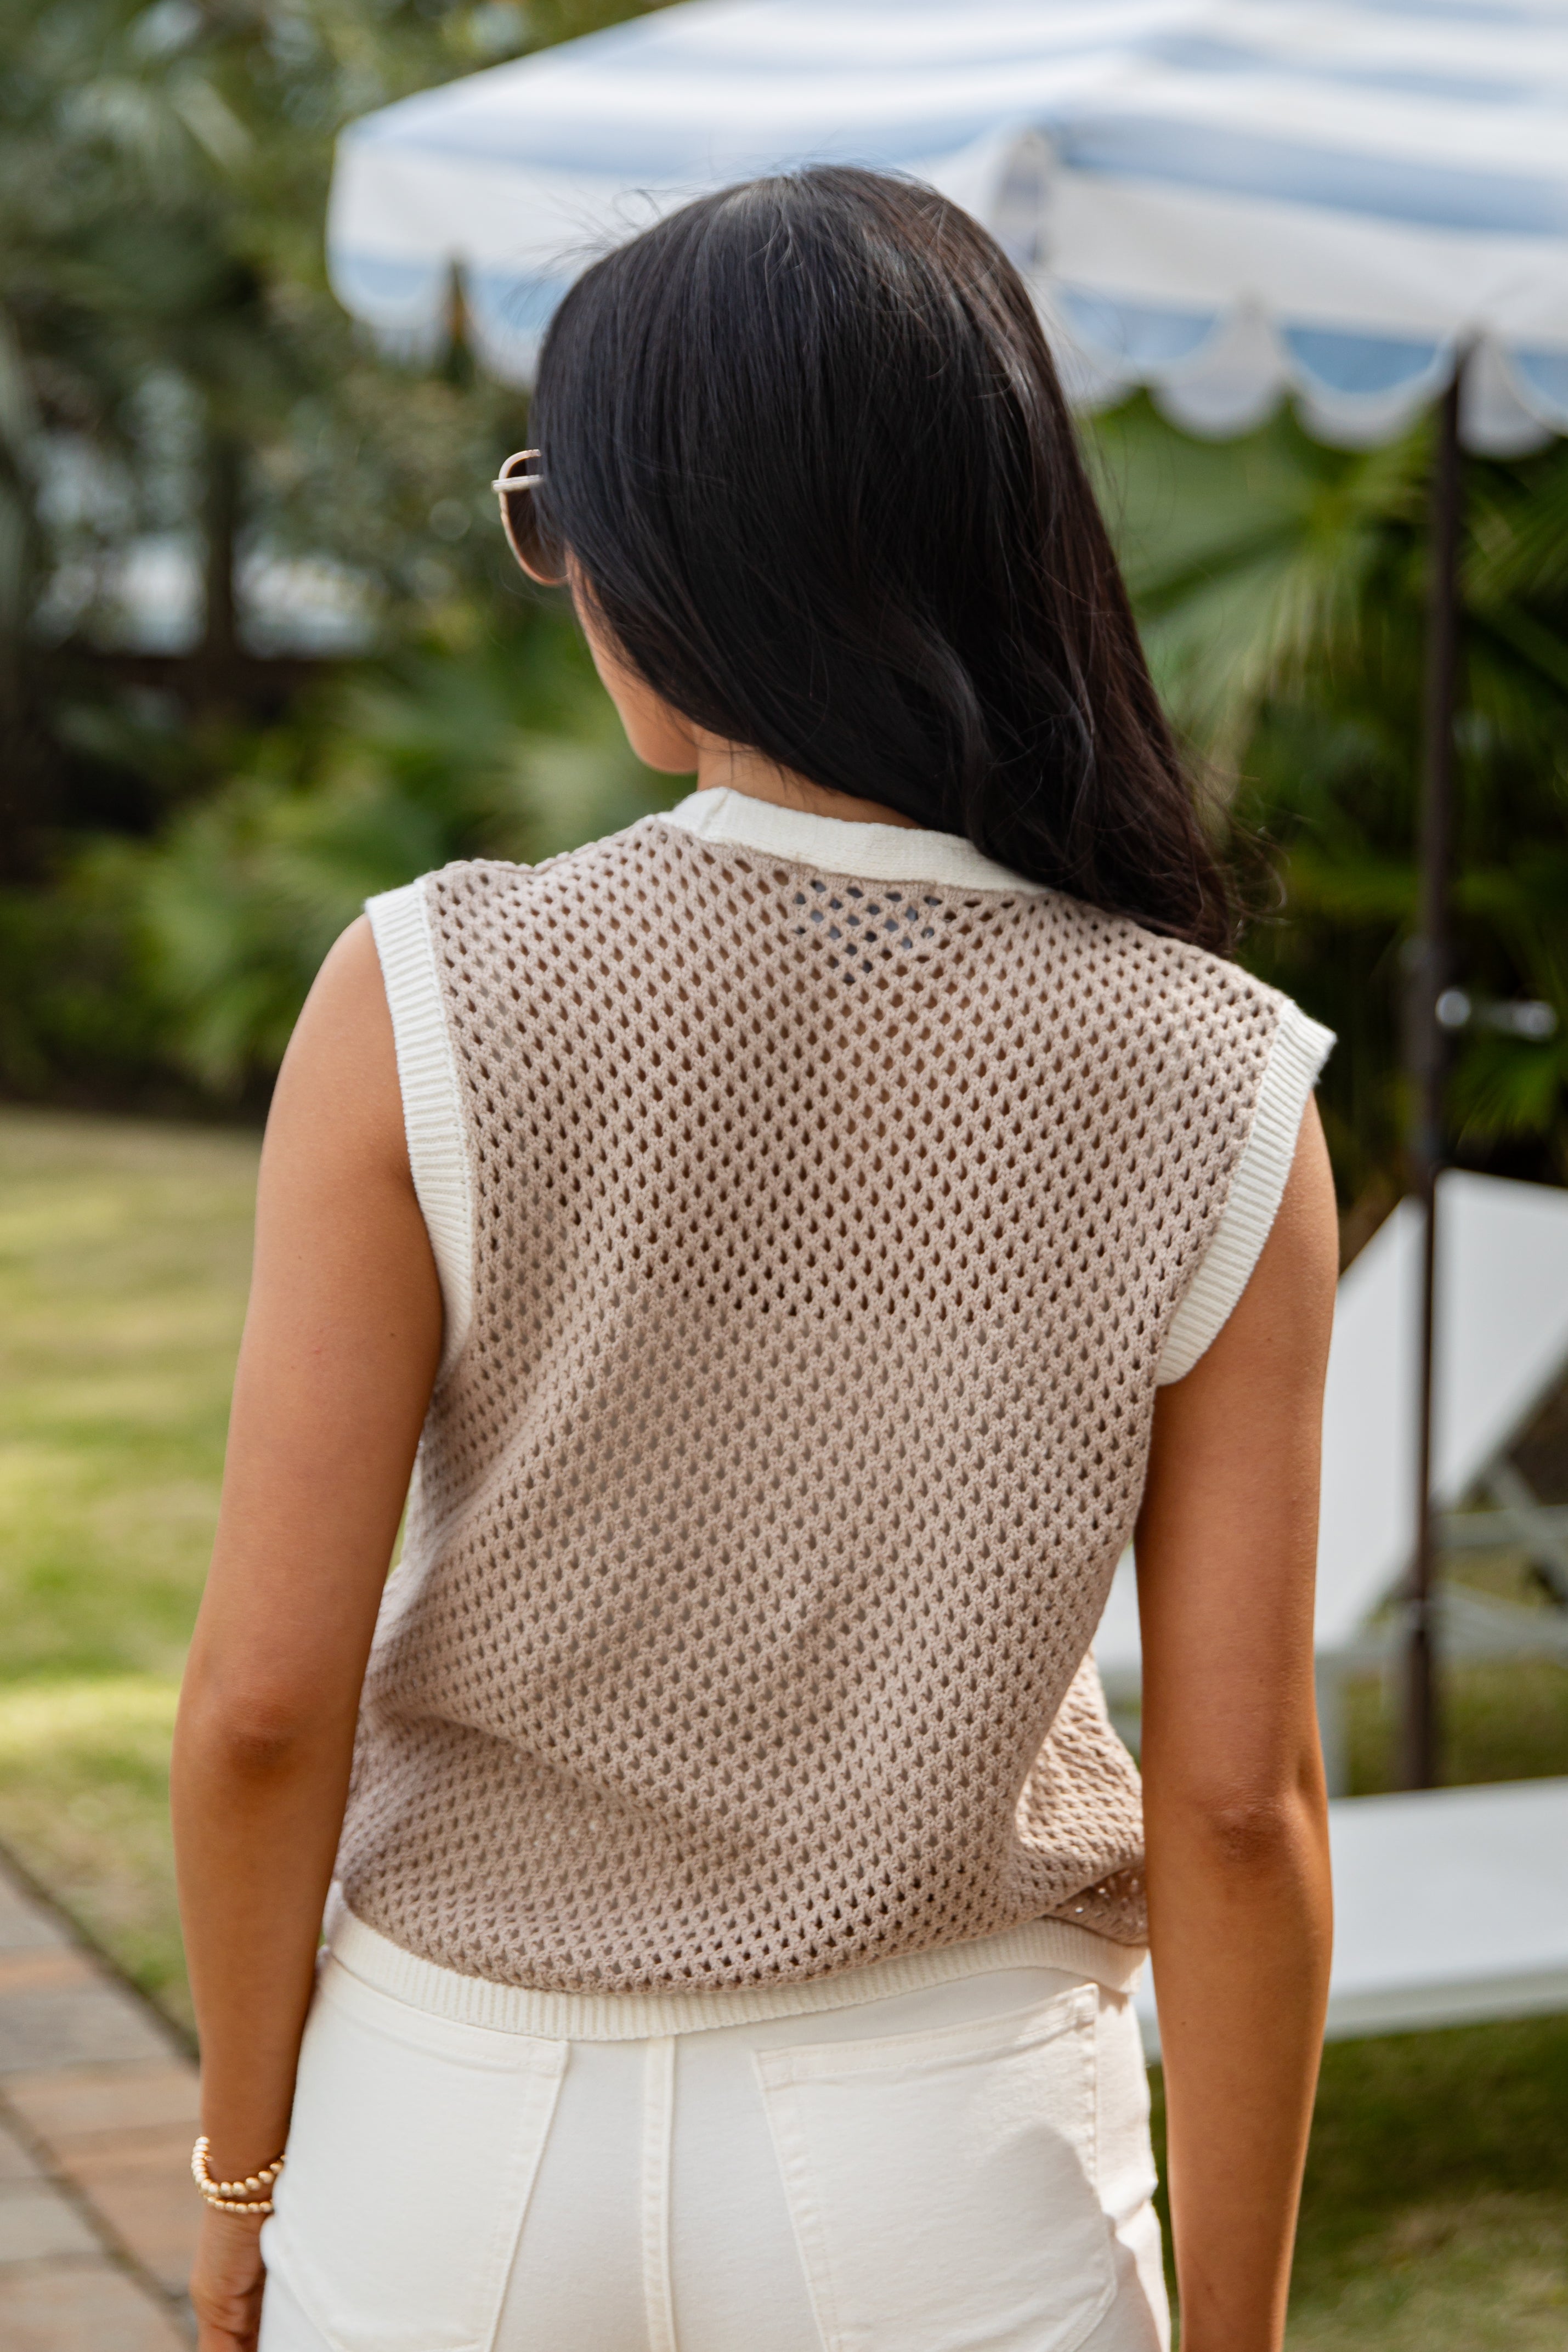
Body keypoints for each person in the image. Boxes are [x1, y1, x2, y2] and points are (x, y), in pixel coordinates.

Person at [172, 165, 1337, 2352]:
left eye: (561, 512)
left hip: (451, 2132)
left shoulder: (427, 992)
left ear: (666, 550)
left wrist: (248, 2167)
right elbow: (1235, 1804)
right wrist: (1238, 2330)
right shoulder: (1223, 1079)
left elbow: (255, 1709)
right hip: (949, 2140)